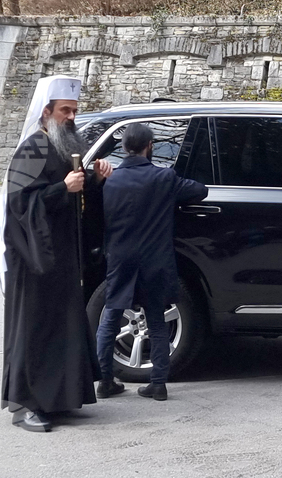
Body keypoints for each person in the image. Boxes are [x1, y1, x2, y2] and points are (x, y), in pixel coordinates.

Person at [0, 75, 113, 432]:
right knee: (34, 330)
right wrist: (62, 188)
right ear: (46, 112)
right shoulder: (32, 149)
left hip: (61, 256)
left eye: (74, 110)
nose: (71, 117)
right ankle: (25, 405)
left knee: (62, 327)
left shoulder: (62, 145)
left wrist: (95, 181)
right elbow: (19, 205)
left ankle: (58, 399)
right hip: (33, 259)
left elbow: (76, 202)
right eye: (64, 110)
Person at [96, 123, 208, 401]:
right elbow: (200, 190)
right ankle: (158, 384)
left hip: (120, 257)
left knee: (110, 317)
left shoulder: (111, 180)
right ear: (150, 147)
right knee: (156, 319)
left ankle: (105, 380)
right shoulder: (164, 178)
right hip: (154, 259)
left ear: (124, 148)